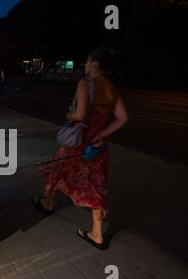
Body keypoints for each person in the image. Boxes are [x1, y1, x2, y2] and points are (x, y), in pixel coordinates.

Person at [34, 48, 129, 250]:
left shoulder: (85, 84)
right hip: (97, 147)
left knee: (58, 170)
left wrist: (68, 116)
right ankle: (97, 233)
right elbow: (123, 117)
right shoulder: (111, 88)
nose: (85, 66)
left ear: (95, 63)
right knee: (97, 186)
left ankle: (47, 203)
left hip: (78, 145)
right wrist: (102, 134)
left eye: (86, 61)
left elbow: (79, 115)